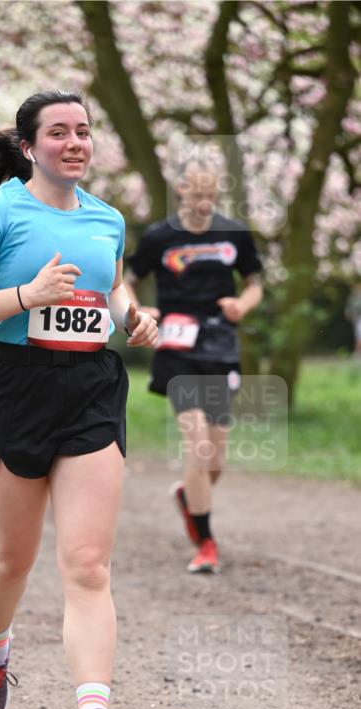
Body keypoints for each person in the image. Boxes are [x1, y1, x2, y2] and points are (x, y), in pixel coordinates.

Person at [0, 90, 158, 709]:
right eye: (58, 132)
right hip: (15, 385)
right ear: (29, 147)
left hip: (89, 388)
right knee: (12, 557)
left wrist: (129, 315)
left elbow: (108, 285)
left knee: (87, 564)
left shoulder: (106, 217)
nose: (75, 142)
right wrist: (26, 296)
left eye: (83, 131)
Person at [125, 159, 263, 574]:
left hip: (220, 347)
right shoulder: (159, 237)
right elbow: (128, 277)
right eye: (196, 194)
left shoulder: (233, 234)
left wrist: (243, 304)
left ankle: (189, 496)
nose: (204, 203)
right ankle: (206, 543)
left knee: (214, 460)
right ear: (181, 190)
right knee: (197, 444)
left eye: (211, 195)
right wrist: (137, 307)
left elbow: (255, 282)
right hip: (177, 348)